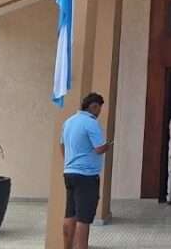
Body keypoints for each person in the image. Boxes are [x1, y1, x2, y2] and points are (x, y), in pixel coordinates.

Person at [60, 92, 113, 249]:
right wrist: (108, 145)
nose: (99, 113)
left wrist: (70, 162)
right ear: (94, 106)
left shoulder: (68, 121)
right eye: (99, 109)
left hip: (69, 173)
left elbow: (62, 145)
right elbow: (99, 148)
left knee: (70, 214)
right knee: (84, 218)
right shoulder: (91, 123)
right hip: (87, 176)